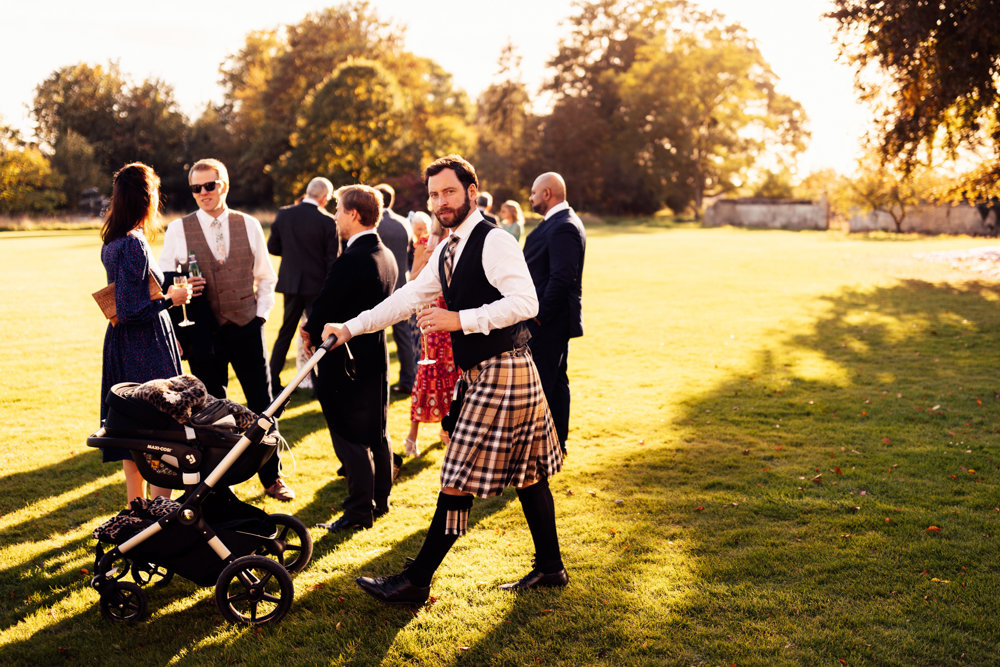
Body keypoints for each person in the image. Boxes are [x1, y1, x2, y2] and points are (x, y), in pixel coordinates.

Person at [322, 154, 566, 606]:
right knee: (529, 474)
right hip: (489, 372)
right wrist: (350, 328)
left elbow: (526, 302)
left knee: (456, 478)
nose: (440, 202)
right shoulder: (448, 248)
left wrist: (459, 320)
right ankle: (551, 567)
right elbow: (409, 297)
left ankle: (417, 580)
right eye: (434, 194)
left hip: (505, 370)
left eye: (449, 192)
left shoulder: (494, 240)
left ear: (471, 192)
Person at [159, 158, 293, 501]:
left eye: (210, 185)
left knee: (263, 405)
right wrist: (180, 285)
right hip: (203, 332)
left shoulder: (249, 224)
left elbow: (266, 277)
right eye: (196, 188)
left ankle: (272, 476)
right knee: (210, 410)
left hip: (247, 327)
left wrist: (260, 317)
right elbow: (164, 284)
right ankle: (220, 483)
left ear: (224, 185)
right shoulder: (178, 229)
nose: (203, 193)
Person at [303, 184, 397, 532]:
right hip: (375, 354)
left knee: (348, 432)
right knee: (377, 429)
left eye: (338, 210)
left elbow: (326, 305)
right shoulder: (385, 254)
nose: (335, 217)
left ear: (353, 214)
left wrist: (309, 330)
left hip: (345, 358)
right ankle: (380, 500)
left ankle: (359, 511)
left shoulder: (352, 259)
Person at [99, 162, 191, 502]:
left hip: (128, 343)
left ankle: (138, 509)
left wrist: (171, 335)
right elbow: (131, 311)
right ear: (147, 198)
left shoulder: (113, 241)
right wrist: (172, 299)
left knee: (133, 430)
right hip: (143, 347)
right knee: (158, 430)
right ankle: (158, 512)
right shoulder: (133, 244)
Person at [523, 172, 586, 456]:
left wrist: (539, 314)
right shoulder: (556, 222)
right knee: (557, 381)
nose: (531, 197)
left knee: (544, 383)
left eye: (534, 192)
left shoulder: (564, 226)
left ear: (547, 193)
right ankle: (557, 444)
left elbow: (562, 277)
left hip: (549, 321)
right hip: (549, 319)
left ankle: (545, 448)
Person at [267, 176, 340, 395]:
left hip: (291, 283)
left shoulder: (284, 214)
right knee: (318, 335)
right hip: (317, 287)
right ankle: (321, 385)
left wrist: (292, 254)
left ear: (307, 192)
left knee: (285, 333)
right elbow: (332, 261)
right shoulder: (327, 221)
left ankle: (272, 381)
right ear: (324, 197)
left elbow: (273, 247)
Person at [402, 211, 460, 457]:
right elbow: (412, 280)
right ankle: (412, 436)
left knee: (455, 377)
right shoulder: (425, 243)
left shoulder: (459, 242)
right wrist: (426, 261)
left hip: (456, 317)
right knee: (427, 376)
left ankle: (447, 430)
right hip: (433, 319)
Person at [374, 183, 417, 395]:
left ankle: (376, 382)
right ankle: (409, 379)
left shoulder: (372, 223)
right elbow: (410, 256)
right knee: (403, 336)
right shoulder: (403, 223)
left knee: (374, 334)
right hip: (401, 285)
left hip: (378, 285)